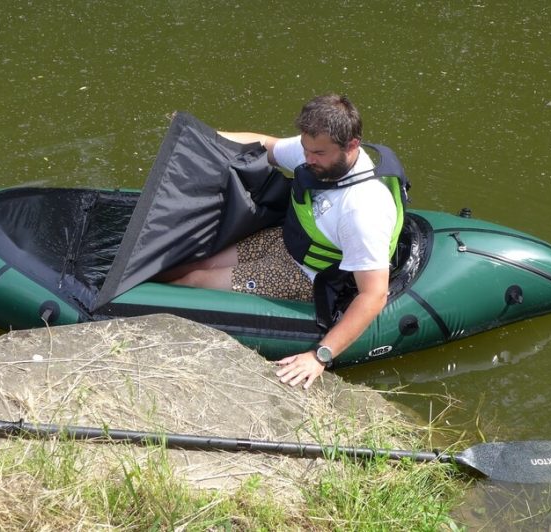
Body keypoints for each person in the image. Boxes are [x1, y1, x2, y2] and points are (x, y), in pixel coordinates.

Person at [160, 94, 398, 389]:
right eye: (305, 149)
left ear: (352, 145)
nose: (308, 159)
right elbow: (266, 144)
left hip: (308, 276)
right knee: (196, 261)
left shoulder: (363, 208)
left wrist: (320, 356)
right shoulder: (314, 153)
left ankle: (136, 313)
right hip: (292, 244)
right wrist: (203, 136)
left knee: (196, 279)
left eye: (319, 153)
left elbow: (374, 295)